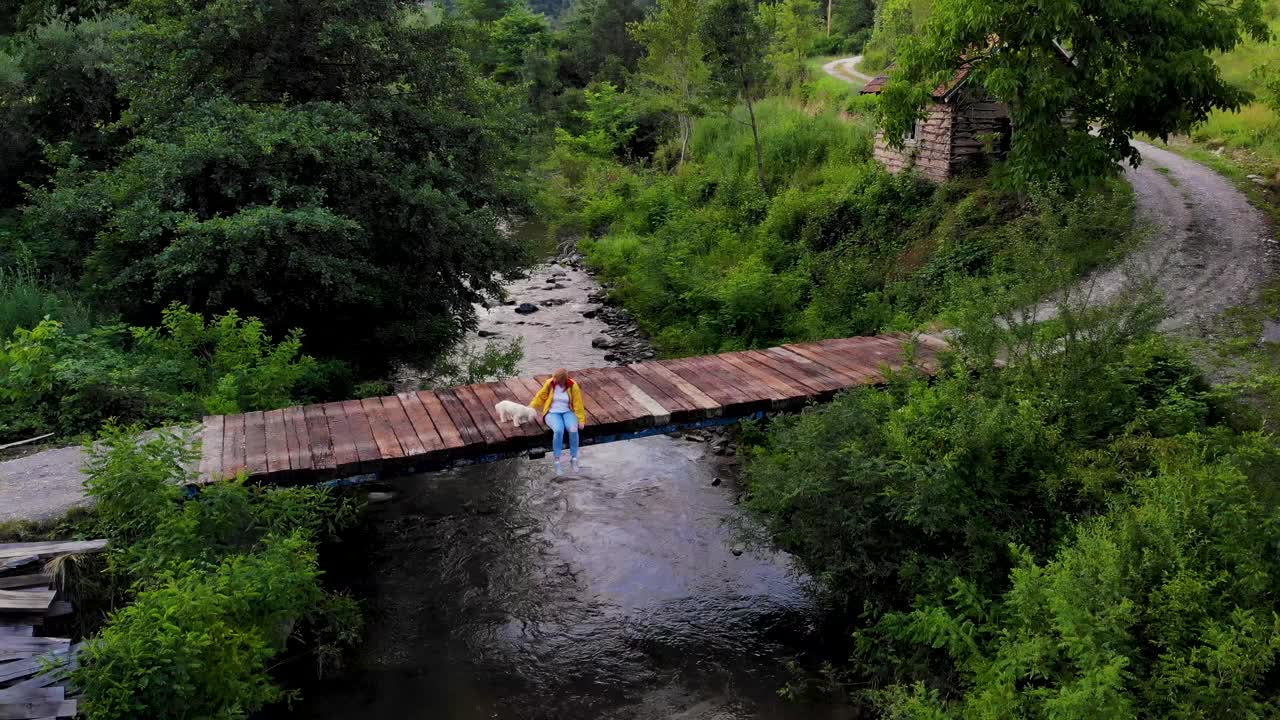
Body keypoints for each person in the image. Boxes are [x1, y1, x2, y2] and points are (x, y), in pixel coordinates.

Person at [530, 367, 587, 475]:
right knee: (559, 430)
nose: (554, 380)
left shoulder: (572, 385)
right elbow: (540, 397)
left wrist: (581, 420)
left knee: (573, 429)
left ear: (563, 380)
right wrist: (531, 407)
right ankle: (557, 460)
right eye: (554, 377)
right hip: (552, 413)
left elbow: (578, 404)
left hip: (567, 412)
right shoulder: (550, 383)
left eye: (557, 379)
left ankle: (574, 458)